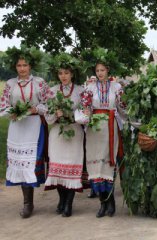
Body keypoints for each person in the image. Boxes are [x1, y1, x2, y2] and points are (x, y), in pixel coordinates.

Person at [0, 46, 51, 218]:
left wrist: (37, 109)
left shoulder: (39, 83)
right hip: (17, 127)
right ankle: (27, 203)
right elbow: (3, 105)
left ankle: (30, 202)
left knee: (31, 161)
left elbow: (49, 103)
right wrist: (11, 111)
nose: (22, 68)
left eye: (25, 65)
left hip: (34, 126)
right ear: (15, 67)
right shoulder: (10, 84)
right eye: (19, 65)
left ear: (31, 66)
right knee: (20, 161)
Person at [76, 48, 125, 218]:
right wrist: (86, 113)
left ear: (108, 70)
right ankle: (102, 203)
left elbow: (123, 108)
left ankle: (111, 203)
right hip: (94, 130)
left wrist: (133, 120)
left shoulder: (116, 87)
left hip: (110, 129)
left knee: (108, 164)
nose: (99, 73)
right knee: (96, 165)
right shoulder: (89, 87)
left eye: (102, 70)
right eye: (97, 70)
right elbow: (86, 107)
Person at [44, 53, 84, 217]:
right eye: (60, 73)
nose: (63, 76)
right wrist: (56, 114)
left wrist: (73, 115)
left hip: (74, 132)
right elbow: (47, 116)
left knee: (71, 168)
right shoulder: (52, 91)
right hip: (57, 133)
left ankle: (68, 204)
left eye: (66, 73)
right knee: (58, 168)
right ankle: (61, 200)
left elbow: (85, 113)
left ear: (72, 74)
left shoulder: (81, 91)